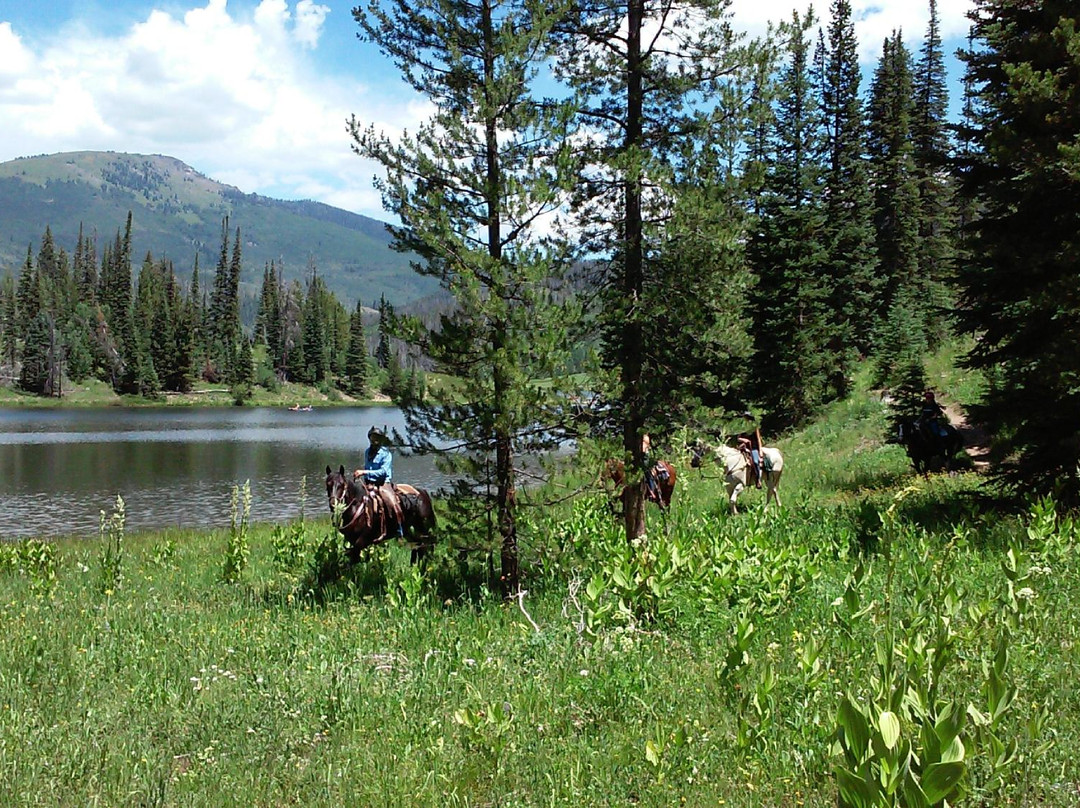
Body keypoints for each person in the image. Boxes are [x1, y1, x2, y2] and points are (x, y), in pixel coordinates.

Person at [356, 426, 404, 539]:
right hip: (369, 482)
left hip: (383, 483)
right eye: (372, 437)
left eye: (377, 438)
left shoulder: (386, 454)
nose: (374, 440)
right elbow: (368, 467)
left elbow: (383, 472)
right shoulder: (367, 452)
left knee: (392, 503)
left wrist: (364, 472)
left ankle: (399, 529)